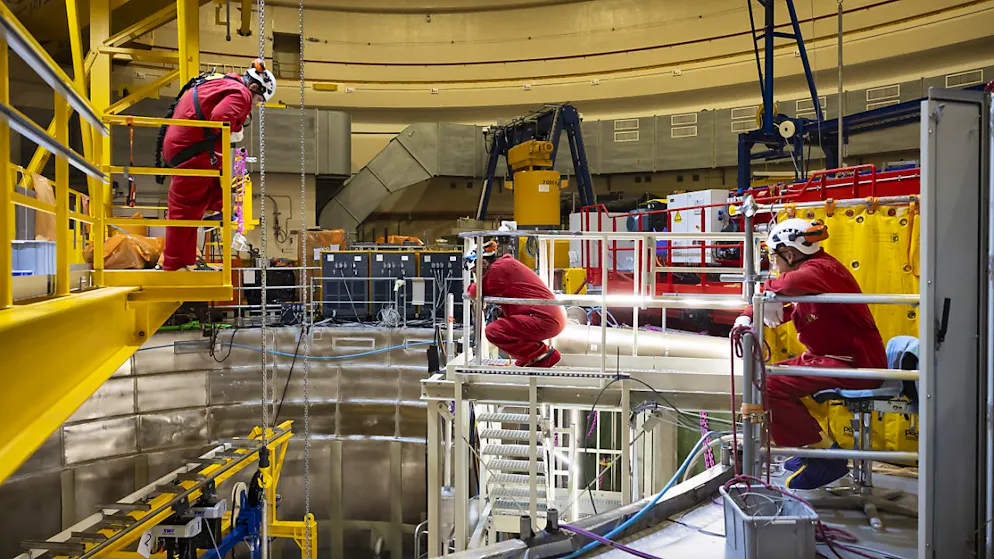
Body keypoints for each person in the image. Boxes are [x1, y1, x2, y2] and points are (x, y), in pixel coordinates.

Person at [734, 218, 887, 490]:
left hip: (855, 365)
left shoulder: (820, 271)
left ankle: (825, 456)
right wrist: (750, 317)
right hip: (831, 359)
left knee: (768, 384)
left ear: (790, 254)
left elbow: (785, 285)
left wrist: (758, 302)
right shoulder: (820, 273)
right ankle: (809, 447)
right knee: (766, 376)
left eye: (774, 256)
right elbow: (791, 309)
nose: (774, 264)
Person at [158, 59, 276, 271]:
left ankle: (214, 212)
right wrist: (237, 127)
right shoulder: (242, 94)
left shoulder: (224, 82)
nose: (255, 104)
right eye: (258, 99)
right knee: (184, 209)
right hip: (191, 149)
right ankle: (174, 264)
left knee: (198, 202)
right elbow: (220, 118)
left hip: (188, 146)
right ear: (255, 87)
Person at [466, 240, 567, 367]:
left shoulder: (498, 270)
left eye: (475, 271)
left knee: (493, 331)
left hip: (546, 319)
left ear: (484, 263)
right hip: (550, 316)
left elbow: (474, 291)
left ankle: (543, 355)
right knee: (505, 324)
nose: (476, 275)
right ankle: (531, 357)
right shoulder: (505, 265)